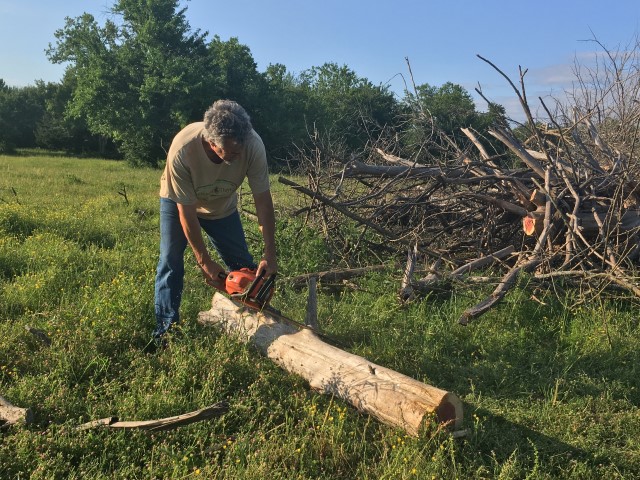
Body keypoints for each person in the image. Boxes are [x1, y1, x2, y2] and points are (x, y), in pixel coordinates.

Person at [152, 99, 277, 343]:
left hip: (221, 204)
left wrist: (270, 252)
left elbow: (263, 200)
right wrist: (205, 261)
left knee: (243, 265)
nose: (237, 155)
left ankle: (258, 321)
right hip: (178, 203)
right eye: (230, 151)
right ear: (211, 142)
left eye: (240, 149)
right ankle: (166, 332)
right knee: (170, 261)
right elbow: (187, 213)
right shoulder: (183, 149)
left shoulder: (252, 144)